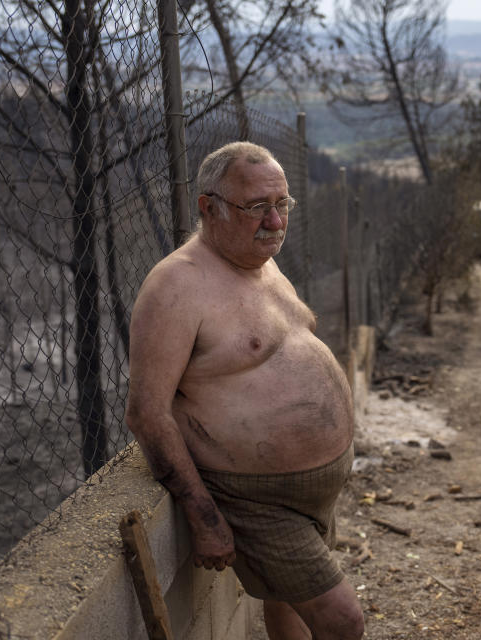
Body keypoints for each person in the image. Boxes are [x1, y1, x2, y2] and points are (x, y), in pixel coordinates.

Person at [125, 141, 364, 640]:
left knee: (289, 603)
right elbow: (148, 413)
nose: (275, 222)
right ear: (208, 208)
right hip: (257, 501)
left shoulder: (260, 260)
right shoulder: (175, 287)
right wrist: (205, 517)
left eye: (282, 204)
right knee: (342, 622)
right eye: (257, 207)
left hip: (309, 491)